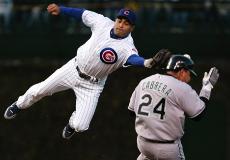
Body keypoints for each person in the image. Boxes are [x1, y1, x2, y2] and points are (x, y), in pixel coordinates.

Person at [4, 3, 171, 139]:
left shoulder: (127, 46)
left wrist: (147, 62)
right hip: (73, 69)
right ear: (115, 20)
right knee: (39, 91)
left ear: (131, 28)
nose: (121, 24)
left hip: (92, 85)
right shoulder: (102, 22)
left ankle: (72, 124)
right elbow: (81, 13)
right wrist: (61, 9)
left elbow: (133, 59)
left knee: (81, 126)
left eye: (126, 23)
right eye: (120, 20)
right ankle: (18, 105)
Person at [122, 54, 219, 160]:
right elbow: (198, 115)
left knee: (147, 156)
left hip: (143, 142)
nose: (189, 78)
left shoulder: (145, 81)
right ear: (181, 71)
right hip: (167, 147)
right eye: (189, 73)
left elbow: (131, 111)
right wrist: (207, 88)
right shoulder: (182, 88)